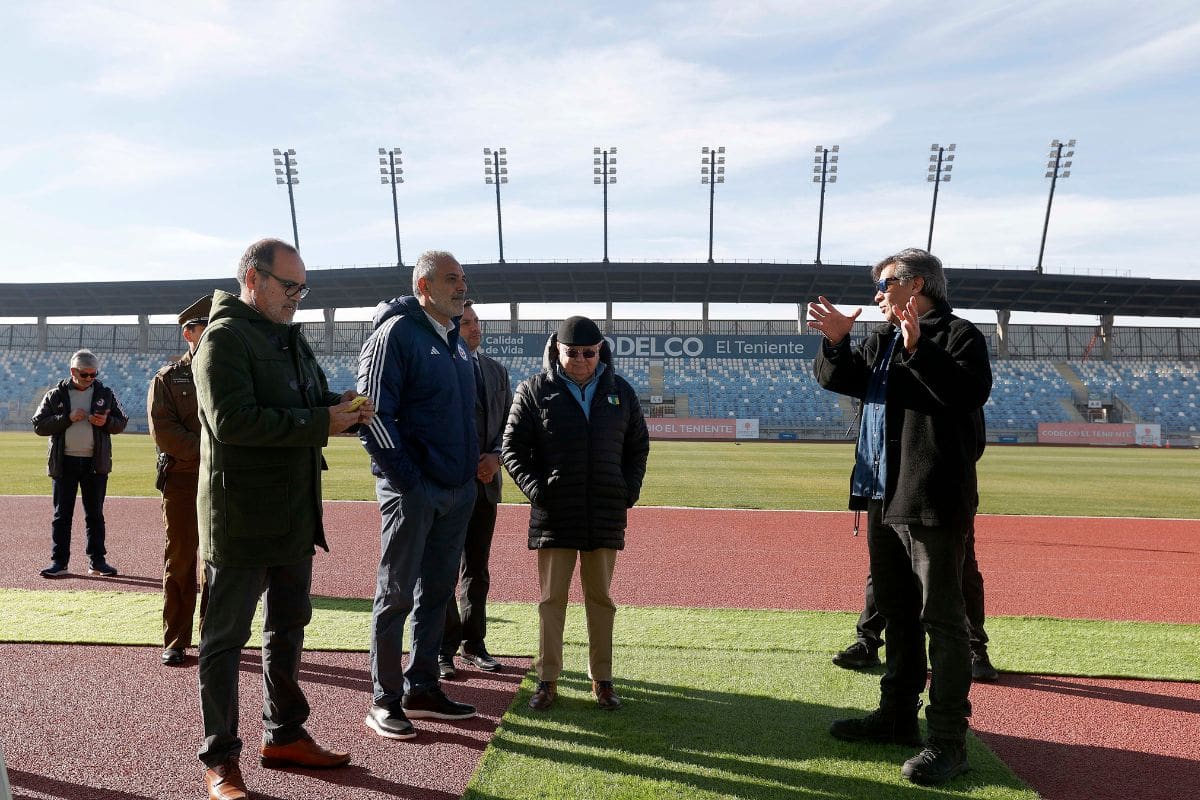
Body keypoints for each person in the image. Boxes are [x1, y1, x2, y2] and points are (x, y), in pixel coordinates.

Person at [193, 238, 372, 800]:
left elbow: (312, 401)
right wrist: (321, 420)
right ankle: (220, 759)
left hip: (294, 512)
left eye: (302, 288)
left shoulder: (289, 339)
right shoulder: (221, 339)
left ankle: (284, 734)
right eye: (289, 285)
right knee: (224, 641)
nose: (298, 297)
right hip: (241, 514)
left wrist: (342, 405)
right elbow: (232, 422)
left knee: (289, 626)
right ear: (253, 277)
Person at [808, 248, 992, 787]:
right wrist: (837, 342)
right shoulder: (882, 339)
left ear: (915, 285)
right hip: (882, 494)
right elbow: (838, 380)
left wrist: (918, 348)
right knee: (897, 610)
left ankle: (948, 741)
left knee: (942, 618)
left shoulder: (959, 335)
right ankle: (896, 718)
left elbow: (967, 393)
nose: (877, 295)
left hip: (932, 496)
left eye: (884, 284)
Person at [357, 250, 480, 741]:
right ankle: (384, 699)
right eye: (452, 280)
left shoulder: (456, 343)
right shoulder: (395, 334)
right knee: (396, 594)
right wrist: (409, 481)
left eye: (463, 279)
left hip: (456, 491)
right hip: (414, 491)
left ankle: (422, 686)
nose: (461, 287)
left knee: (438, 592)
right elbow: (373, 415)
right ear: (424, 287)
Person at [502, 315, 650, 712]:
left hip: (604, 511)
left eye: (589, 352)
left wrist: (627, 491)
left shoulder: (621, 391)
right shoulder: (534, 391)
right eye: (573, 352)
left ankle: (602, 680)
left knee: (601, 599)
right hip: (555, 514)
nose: (582, 359)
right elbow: (512, 448)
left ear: (600, 350)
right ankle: (548, 680)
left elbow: (637, 448)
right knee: (552, 600)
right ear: (557, 350)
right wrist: (538, 490)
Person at [439, 300, 513, 679]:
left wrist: (495, 457)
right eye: (465, 322)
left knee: (477, 570)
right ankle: (443, 648)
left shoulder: (498, 372)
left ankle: (474, 643)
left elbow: (507, 425)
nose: (473, 328)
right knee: (444, 570)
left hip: (487, 486)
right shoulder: (441, 366)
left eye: (476, 321)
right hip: (451, 485)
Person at [832, 518, 999, 682]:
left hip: (942, 499)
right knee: (883, 566)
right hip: (883, 495)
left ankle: (974, 649)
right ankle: (867, 640)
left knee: (960, 564)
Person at [148, 295, 212, 666]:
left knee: (219, 565)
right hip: (184, 480)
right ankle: (175, 640)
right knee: (182, 559)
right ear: (189, 333)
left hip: (222, 482)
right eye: (206, 327)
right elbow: (166, 434)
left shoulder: (230, 375)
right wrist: (213, 449)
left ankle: (213, 638)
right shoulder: (168, 379)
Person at [32, 349, 128, 578]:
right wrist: (66, 418)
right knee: (61, 515)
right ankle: (59, 563)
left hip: (95, 465)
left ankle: (97, 562)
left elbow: (121, 422)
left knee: (95, 515)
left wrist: (106, 421)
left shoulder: (105, 392)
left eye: (94, 374)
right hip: (64, 463)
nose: (90, 378)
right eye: (85, 374)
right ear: (73, 371)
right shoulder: (55, 395)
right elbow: (39, 425)